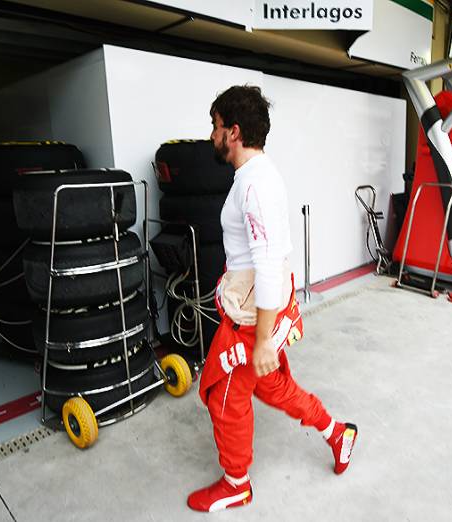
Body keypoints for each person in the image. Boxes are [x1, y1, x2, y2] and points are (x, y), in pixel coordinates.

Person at [188, 85, 356, 513]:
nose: (212, 135)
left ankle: (236, 483)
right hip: (261, 309)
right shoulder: (255, 177)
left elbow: (265, 264)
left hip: (252, 322)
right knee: (274, 387)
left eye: (216, 127)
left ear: (235, 132)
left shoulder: (255, 186)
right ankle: (338, 433)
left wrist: (263, 341)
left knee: (224, 396)